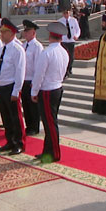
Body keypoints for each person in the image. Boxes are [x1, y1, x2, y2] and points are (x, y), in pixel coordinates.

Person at [30, 22, 70, 162]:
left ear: (50, 35)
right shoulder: (64, 52)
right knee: (49, 122)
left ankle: (54, 153)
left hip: (47, 90)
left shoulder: (47, 52)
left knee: (50, 123)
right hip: (57, 87)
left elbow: (39, 74)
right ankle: (47, 151)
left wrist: (34, 91)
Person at [0, 18, 26, 155]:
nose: (1, 34)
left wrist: (16, 90)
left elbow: (20, 71)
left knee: (15, 117)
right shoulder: (2, 48)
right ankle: (9, 141)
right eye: (1, 32)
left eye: (4, 32)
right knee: (6, 117)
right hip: (1, 86)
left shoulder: (17, 49)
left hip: (11, 86)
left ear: (12, 33)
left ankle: (19, 143)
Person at [20, 20, 44, 135]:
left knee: (33, 106)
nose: (25, 33)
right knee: (25, 104)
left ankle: (34, 127)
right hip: (24, 79)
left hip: (32, 80)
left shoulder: (37, 46)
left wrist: (35, 82)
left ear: (33, 32)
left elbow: (38, 66)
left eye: (27, 31)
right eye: (25, 31)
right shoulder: (24, 45)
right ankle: (28, 125)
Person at [58, 9, 81, 76]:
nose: (66, 15)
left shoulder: (74, 20)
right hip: (64, 41)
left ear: (69, 13)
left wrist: (76, 36)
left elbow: (78, 29)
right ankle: (65, 71)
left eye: (67, 13)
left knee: (71, 56)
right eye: (65, 13)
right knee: (64, 56)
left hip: (71, 40)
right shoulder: (60, 21)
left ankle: (69, 69)